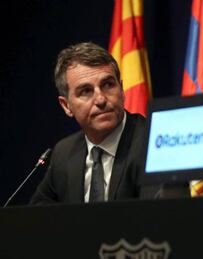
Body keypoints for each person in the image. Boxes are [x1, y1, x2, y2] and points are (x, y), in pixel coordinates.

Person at [30, 42, 147, 204]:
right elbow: (36, 219)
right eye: (85, 91)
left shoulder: (150, 144)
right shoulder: (64, 152)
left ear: (121, 89)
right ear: (66, 106)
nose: (100, 99)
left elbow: (157, 218)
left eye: (108, 85)